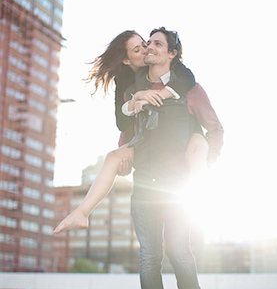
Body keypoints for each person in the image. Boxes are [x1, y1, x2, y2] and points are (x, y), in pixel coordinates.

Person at [124, 27, 223, 289]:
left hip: (179, 189)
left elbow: (216, 128)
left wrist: (206, 161)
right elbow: (127, 129)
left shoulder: (190, 89)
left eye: (157, 44)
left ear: (172, 54)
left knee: (179, 252)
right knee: (149, 258)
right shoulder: (135, 88)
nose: (149, 47)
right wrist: (122, 149)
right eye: (148, 43)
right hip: (143, 186)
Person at [53, 30, 209, 234]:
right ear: (127, 60)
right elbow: (122, 121)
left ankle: (197, 206)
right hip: (149, 137)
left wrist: (159, 94)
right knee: (112, 158)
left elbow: (188, 78)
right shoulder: (126, 79)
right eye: (138, 49)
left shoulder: (171, 67)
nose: (146, 49)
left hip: (183, 134)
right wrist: (136, 98)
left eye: (145, 44)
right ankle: (82, 212)